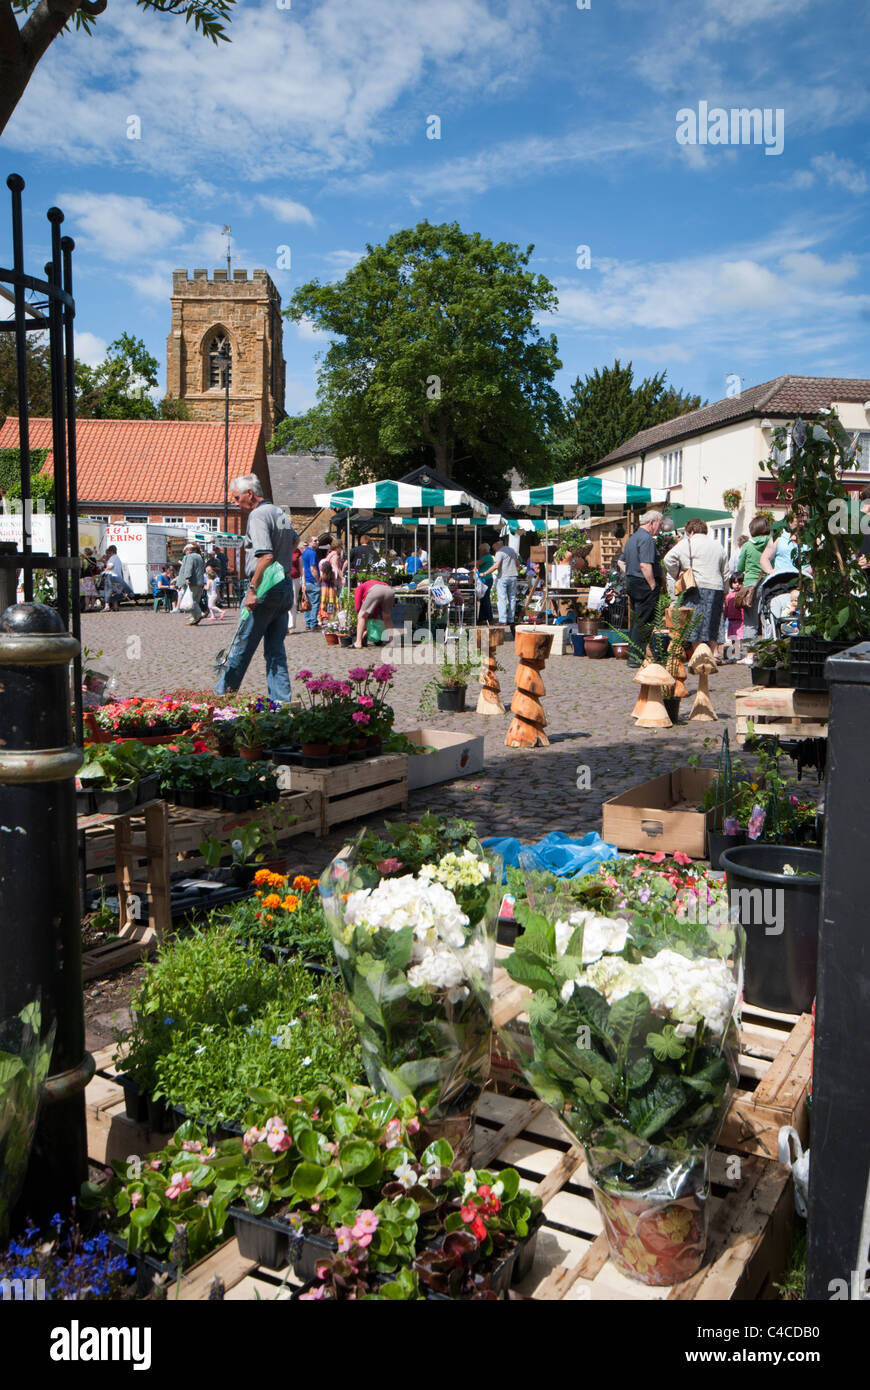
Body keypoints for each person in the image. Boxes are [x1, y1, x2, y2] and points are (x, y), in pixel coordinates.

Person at [215, 473, 297, 702]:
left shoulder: (258, 515)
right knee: (275, 652)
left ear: (249, 494)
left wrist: (252, 589)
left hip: (264, 588)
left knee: (241, 646)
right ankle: (282, 703)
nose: (234, 502)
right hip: (283, 588)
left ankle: (221, 701)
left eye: (236, 497)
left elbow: (265, 556)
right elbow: (295, 541)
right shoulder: (280, 512)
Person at [663, 517, 727, 660]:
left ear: (690, 531)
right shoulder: (718, 545)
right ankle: (714, 653)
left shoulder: (687, 543)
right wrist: (725, 591)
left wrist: (677, 573)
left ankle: (699, 654)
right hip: (716, 586)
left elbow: (668, 559)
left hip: (695, 586)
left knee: (695, 622)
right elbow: (726, 572)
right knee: (713, 621)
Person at [624, 510, 663, 666]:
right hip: (644, 584)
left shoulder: (632, 538)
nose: (659, 528)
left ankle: (634, 654)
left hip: (633, 581)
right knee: (643, 621)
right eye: (659, 524)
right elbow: (645, 564)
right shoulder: (646, 539)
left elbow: (622, 563)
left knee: (635, 619)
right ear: (652, 522)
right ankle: (636, 656)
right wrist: (653, 584)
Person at [732, 514, 771, 645]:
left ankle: (750, 652)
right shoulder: (771, 543)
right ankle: (767, 651)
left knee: (750, 622)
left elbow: (740, 567)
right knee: (767, 619)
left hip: (750, 586)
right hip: (767, 583)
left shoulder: (748, 546)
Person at [353, 577, 394, 648]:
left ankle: (358, 642)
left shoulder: (360, 587)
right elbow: (376, 608)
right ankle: (392, 642)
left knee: (361, 616)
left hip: (375, 591)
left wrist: (360, 615)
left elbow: (357, 606)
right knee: (387, 617)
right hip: (390, 590)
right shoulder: (378, 583)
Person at [177, 543, 206, 626]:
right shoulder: (200, 557)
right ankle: (194, 619)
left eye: (185, 551)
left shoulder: (190, 557)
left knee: (192, 601)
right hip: (200, 582)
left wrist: (187, 578)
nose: (185, 553)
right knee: (196, 600)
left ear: (188, 550)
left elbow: (189, 568)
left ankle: (200, 614)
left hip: (193, 582)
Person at [493, 537, 520, 627]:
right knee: (512, 598)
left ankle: (502, 620)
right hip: (513, 576)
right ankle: (511, 619)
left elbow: (496, 566)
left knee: (502, 598)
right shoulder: (512, 550)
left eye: (494, 547)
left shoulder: (499, 552)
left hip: (503, 577)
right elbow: (517, 563)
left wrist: (485, 573)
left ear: (497, 545)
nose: (494, 549)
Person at [301, 536, 321, 631]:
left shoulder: (304, 552)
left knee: (308, 603)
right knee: (315, 603)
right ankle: (314, 624)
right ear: (309, 542)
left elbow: (303, 568)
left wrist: (303, 582)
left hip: (307, 581)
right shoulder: (312, 553)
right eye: (315, 541)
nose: (318, 542)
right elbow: (313, 568)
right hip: (313, 581)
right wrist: (318, 580)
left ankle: (308, 623)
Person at [101, 545, 128, 612]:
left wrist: (104, 570)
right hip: (117, 577)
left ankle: (107, 606)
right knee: (114, 593)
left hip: (111, 578)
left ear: (111, 552)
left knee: (108, 592)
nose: (108, 554)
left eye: (108, 553)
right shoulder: (117, 558)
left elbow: (110, 566)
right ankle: (115, 607)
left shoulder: (112, 558)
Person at [475, 542, 496, 624]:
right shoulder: (487, 557)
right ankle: (482, 618)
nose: (479, 552)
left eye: (480, 550)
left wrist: (468, 563)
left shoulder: (486, 557)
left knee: (485, 599)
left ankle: (489, 618)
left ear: (484, 550)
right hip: (486, 579)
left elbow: (478, 562)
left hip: (486, 579)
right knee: (483, 599)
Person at [723, 575, 745, 648]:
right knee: (733, 637)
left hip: (740, 621)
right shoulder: (729, 596)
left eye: (739, 582)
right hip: (731, 621)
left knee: (739, 638)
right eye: (735, 582)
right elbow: (726, 608)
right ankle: (735, 653)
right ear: (731, 584)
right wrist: (724, 618)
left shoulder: (744, 594)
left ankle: (737, 653)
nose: (737, 584)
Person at [318, 560, 338, 627]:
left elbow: (320, 579)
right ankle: (330, 618)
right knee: (331, 603)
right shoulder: (332, 573)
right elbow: (334, 581)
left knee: (323, 603)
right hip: (331, 590)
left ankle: (321, 619)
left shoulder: (322, 573)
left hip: (324, 589)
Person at [81, 547, 99, 612]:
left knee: (87, 594)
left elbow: (82, 569)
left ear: (85, 553)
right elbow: (95, 566)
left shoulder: (84, 560)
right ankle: (92, 606)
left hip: (86, 578)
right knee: (93, 594)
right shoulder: (94, 559)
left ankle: (87, 607)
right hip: (93, 578)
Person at [289, 546, 303, 632]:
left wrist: (304, 581)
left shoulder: (297, 551)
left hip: (295, 578)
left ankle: (291, 625)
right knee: (283, 601)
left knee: (293, 601)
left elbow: (301, 567)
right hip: (282, 578)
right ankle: (284, 624)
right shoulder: (281, 548)